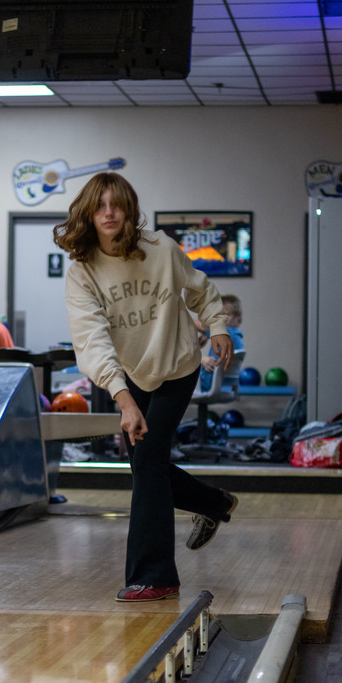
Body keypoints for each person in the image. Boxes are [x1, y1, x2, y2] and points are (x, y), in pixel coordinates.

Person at [54, 172, 237, 603]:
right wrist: (123, 398)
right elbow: (91, 338)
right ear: (88, 213)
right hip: (131, 374)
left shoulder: (160, 249)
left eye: (116, 204)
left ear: (129, 208)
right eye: (100, 206)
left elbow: (200, 289)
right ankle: (213, 503)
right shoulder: (83, 271)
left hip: (177, 364)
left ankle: (154, 576)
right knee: (146, 467)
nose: (109, 213)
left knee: (150, 458)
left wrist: (217, 326)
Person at [199, 293, 245, 391]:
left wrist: (182, 317)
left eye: (225, 315)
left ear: (237, 315)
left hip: (209, 385)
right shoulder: (237, 334)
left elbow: (196, 323)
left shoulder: (224, 330)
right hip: (226, 387)